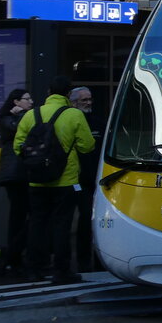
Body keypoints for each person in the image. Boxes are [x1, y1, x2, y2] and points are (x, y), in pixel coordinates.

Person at [14, 75, 95, 285]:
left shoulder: (31, 114)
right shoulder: (74, 115)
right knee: (62, 226)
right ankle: (62, 271)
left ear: (49, 93)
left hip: (37, 180)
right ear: (68, 94)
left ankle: (34, 269)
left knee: (37, 223)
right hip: (66, 180)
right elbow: (87, 146)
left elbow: (18, 146)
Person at [0, 88, 33, 276]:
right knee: (24, 215)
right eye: (27, 99)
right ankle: (12, 255)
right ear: (16, 102)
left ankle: (11, 255)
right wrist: (20, 115)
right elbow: (21, 129)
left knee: (19, 217)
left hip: (19, 173)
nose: (31, 102)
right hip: (15, 173)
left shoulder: (14, 118)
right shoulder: (7, 120)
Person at [70, 86, 105, 273]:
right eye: (84, 100)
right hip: (79, 179)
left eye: (89, 99)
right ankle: (83, 261)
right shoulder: (71, 122)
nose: (88, 103)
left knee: (99, 221)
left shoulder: (98, 122)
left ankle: (100, 261)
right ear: (74, 103)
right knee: (84, 220)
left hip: (99, 178)